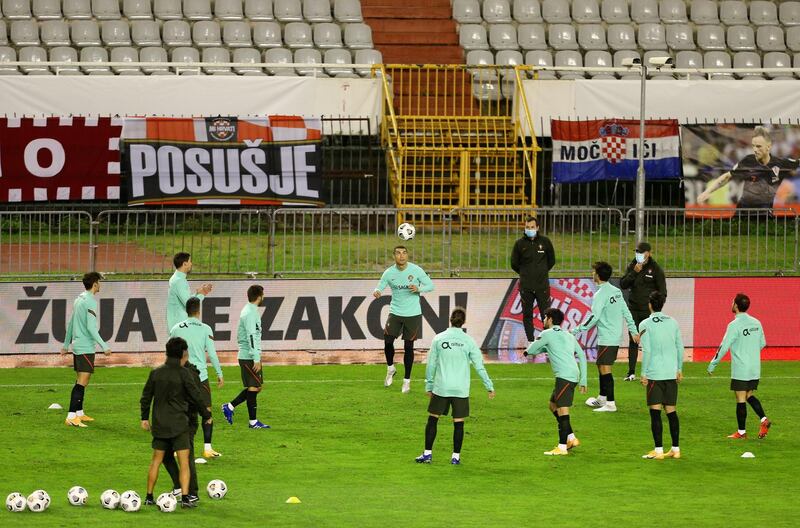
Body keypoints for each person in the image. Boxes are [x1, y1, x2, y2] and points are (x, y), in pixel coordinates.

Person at [415, 307, 494, 465]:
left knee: (433, 419)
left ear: (450, 320)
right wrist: (489, 385)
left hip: (441, 387)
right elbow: (479, 366)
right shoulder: (469, 341)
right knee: (458, 422)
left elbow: (431, 364)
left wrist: (429, 385)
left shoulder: (439, 338)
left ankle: (427, 454)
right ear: (463, 322)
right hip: (460, 389)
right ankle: (455, 457)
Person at [140, 337, 212, 509]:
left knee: (156, 461)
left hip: (159, 424)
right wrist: (206, 414)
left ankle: (149, 497)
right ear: (183, 353)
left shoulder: (156, 373)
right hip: (179, 424)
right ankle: (187, 497)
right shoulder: (184, 373)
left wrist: (144, 417)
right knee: (184, 462)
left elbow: (146, 397)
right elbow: (196, 396)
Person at [572, 261, 639, 413]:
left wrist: (576, 330)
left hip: (608, 337)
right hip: (612, 336)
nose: (592, 274)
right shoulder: (616, 291)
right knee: (601, 365)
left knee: (605, 368)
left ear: (598, 275)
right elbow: (626, 312)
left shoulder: (600, 294)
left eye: (593, 271)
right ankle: (602, 398)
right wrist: (633, 330)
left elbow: (594, 317)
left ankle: (610, 403)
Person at [707, 293, 772, 440]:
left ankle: (741, 432)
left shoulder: (734, 325)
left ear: (736, 305)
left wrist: (713, 364)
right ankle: (763, 419)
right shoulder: (756, 322)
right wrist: (750, 351)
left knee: (741, 398)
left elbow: (724, 347)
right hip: (755, 368)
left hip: (741, 368)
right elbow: (762, 343)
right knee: (748, 395)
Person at [524, 308, 587, 456]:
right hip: (572, 374)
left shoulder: (546, 334)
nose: (544, 320)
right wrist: (583, 379)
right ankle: (571, 438)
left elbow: (533, 347)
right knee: (552, 405)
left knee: (563, 410)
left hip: (564, 376)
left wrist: (527, 351)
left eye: (545, 317)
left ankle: (562, 447)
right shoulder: (568, 335)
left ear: (551, 319)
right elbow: (582, 355)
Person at [373, 245, 434, 393]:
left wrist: (419, 289)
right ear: (394, 256)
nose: (401, 255)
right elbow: (380, 286)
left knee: (408, 347)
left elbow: (430, 285)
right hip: (395, 312)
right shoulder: (389, 273)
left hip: (412, 314)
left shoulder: (416, 270)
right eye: (398, 253)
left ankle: (406, 381)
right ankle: (390, 368)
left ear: (407, 255)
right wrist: (377, 291)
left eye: (404, 253)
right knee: (387, 342)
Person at [169, 297, 224, 459]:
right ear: (198, 311)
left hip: (181, 377)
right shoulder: (206, 328)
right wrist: (219, 373)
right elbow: (212, 354)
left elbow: (170, 352)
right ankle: (207, 448)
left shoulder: (176, 328)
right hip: (201, 377)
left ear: (186, 311)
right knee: (206, 411)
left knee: (182, 413)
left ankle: (176, 449)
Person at [697, 126, 799, 209]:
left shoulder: (780, 163)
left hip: (766, 213)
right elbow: (727, 177)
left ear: (768, 147)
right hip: (745, 212)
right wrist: (707, 192)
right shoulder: (747, 161)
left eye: (759, 146)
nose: (755, 149)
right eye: (753, 146)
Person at [60, 272, 112, 428]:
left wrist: (65, 344)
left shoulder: (79, 298)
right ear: (95, 284)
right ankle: (70, 416)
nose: (100, 285)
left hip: (77, 345)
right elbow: (91, 327)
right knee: (82, 382)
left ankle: (79, 413)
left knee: (82, 379)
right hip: (85, 347)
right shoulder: (90, 301)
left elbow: (71, 323)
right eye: (99, 282)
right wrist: (104, 346)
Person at [638, 292, 684, 460]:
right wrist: (679, 368)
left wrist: (643, 373)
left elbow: (647, 350)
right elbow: (680, 346)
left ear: (650, 304)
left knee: (655, 412)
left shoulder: (645, 324)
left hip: (655, 374)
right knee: (671, 411)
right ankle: (676, 449)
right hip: (671, 372)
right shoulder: (673, 322)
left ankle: (658, 451)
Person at [221, 285, 270, 429]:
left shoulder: (250, 310)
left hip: (249, 354)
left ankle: (230, 407)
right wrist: (256, 357)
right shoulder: (250, 313)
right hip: (248, 355)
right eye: (263, 295)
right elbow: (251, 336)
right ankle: (252, 421)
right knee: (254, 387)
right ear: (259, 296)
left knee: (256, 387)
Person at [619, 241, 667, 381]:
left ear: (649, 253)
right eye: (637, 252)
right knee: (633, 339)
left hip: (649, 312)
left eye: (641, 252)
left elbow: (662, 291)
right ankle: (631, 372)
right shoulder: (633, 265)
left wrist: (656, 309)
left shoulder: (656, 269)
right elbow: (623, 284)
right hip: (633, 309)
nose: (639, 255)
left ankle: (652, 370)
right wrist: (634, 272)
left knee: (650, 341)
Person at [161, 361, 205, 504]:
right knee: (165, 453)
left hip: (186, 421)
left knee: (185, 456)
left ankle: (192, 493)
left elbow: (195, 398)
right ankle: (179, 486)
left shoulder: (189, 374)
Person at [510, 216, 556, 342]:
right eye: (527, 227)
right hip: (526, 287)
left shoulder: (545, 242)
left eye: (532, 227)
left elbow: (552, 260)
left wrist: (541, 272)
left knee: (546, 316)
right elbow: (514, 263)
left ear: (537, 228)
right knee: (527, 315)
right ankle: (530, 342)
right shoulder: (519, 244)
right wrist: (525, 274)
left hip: (542, 286)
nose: (529, 229)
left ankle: (547, 342)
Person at [167, 252, 213, 332]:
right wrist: (202, 294)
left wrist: (197, 293)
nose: (191, 264)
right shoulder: (179, 281)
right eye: (190, 261)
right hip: (181, 327)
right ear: (184, 264)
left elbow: (186, 299)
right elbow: (189, 305)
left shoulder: (177, 279)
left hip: (179, 326)